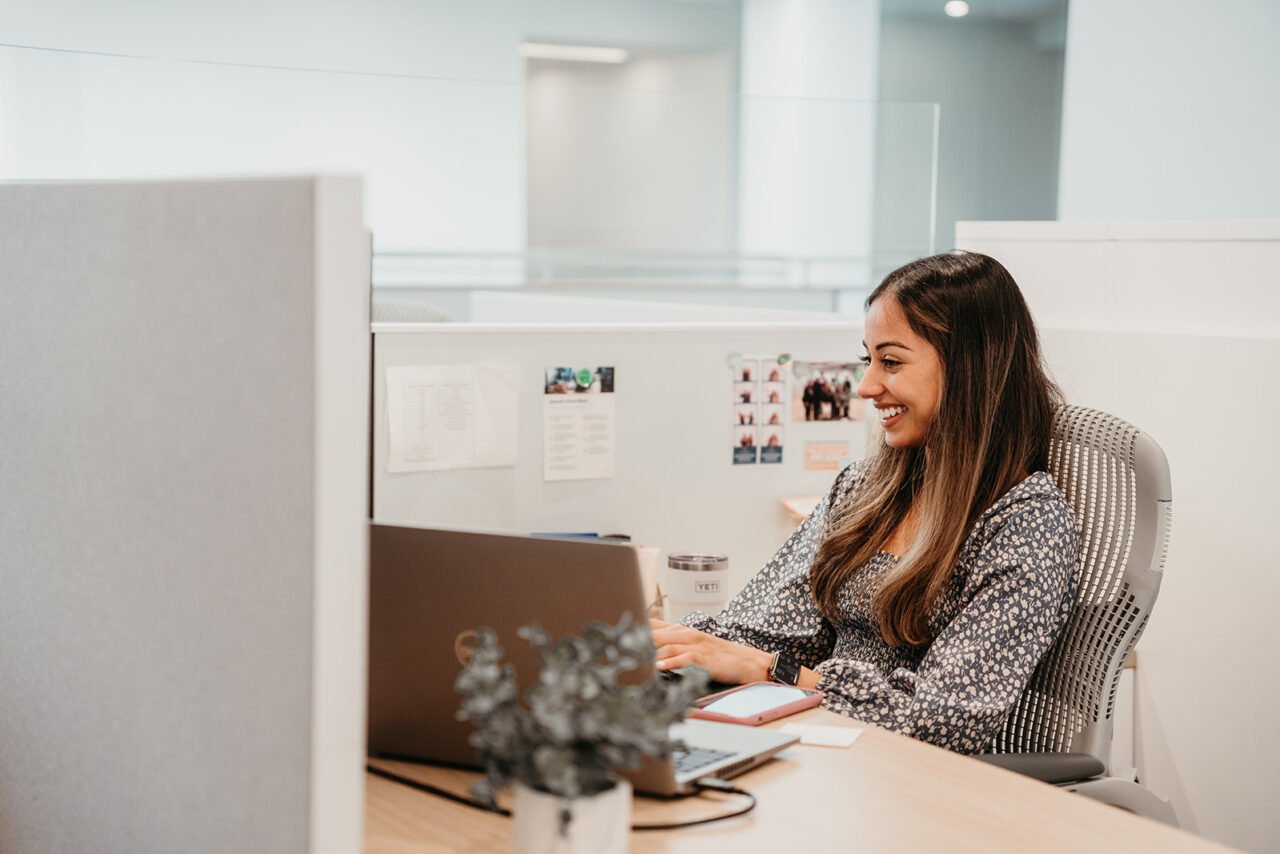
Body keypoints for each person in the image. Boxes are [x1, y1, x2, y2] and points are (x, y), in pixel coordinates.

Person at [652, 251, 1079, 755]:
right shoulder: (867, 488)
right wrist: (669, 643)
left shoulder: (1027, 527)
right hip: (823, 752)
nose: (867, 386)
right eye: (868, 360)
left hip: (909, 781)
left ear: (970, 368)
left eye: (891, 362)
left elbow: (943, 722)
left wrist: (777, 672)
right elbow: (763, 628)